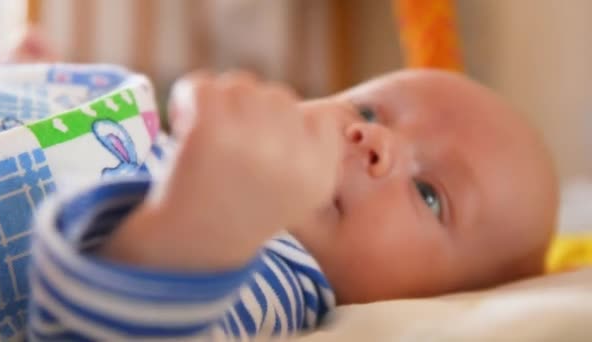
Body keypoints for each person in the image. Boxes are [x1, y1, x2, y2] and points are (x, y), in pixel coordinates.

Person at [28, 69, 558, 340]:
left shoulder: (270, 277)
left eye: (429, 195)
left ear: (442, 297)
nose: (370, 139)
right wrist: (37, 88)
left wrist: (201, 223)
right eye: (369, 109)